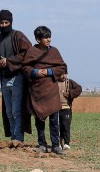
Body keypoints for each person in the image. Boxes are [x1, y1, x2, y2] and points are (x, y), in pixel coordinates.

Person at [13, 25, 68, 154]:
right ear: (38, 39)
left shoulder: (54, 51)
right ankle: (42, 144)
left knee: (54, 120)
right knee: (39, 119)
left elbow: (62, 67)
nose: (48, 40)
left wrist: (49, 71)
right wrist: (36, 72)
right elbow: (25, 68)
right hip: (37, 91)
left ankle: (56, 146)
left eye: (49, 37)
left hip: (51, 91)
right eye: (45, 38)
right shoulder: (31, 51)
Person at [0, 9, 32, 144]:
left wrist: (9, 61)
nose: (4, 25)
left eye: (7, 22)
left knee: (17, 110)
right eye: (2, 22)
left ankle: (18, 138)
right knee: (8, 111)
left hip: (18, 76)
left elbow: (28, 53)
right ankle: (13, 137)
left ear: (11, 22)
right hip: (4, 77)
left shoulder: (18, 36)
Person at [57, 76, 82, 151]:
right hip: (56, 109)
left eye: (64, 73)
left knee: (66, 126)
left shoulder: (69, 82)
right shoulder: (54, 82)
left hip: (66, 108)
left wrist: (70, 93)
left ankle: (66, 143)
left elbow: (79, 88)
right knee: (57, 126)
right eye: (61, 74)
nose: (62, 75)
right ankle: (58, 143)